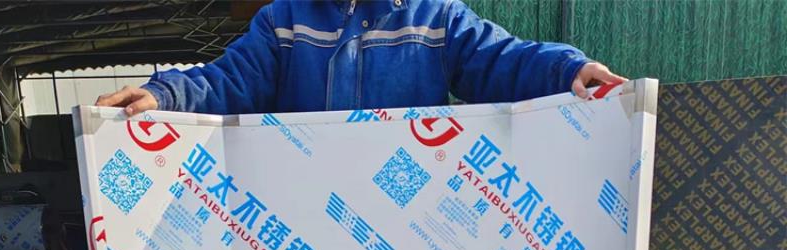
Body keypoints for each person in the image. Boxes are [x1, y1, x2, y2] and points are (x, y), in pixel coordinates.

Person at [97, 0, 624, 116]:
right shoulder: (284, 19)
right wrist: (164, 93)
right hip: (306, 218)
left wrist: (567, 69)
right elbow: (229, 80)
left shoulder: (436, 19)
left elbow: (500, 60)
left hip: (409, 221)